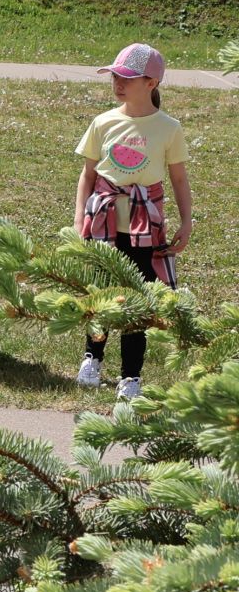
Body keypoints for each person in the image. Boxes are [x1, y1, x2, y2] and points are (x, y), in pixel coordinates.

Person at [73, 43, 191, 403]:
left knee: (136, 303)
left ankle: (131, 375)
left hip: (144, 230)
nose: (117, 83)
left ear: (151, 82)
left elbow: (179, 179)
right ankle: (92, 357)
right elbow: (87, 174)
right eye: (115, 76)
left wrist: (186, 222)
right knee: (101, 295)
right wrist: (80, 214)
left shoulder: (168, 128)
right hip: (104, 226)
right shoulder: (103, 122)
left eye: (127, 77)